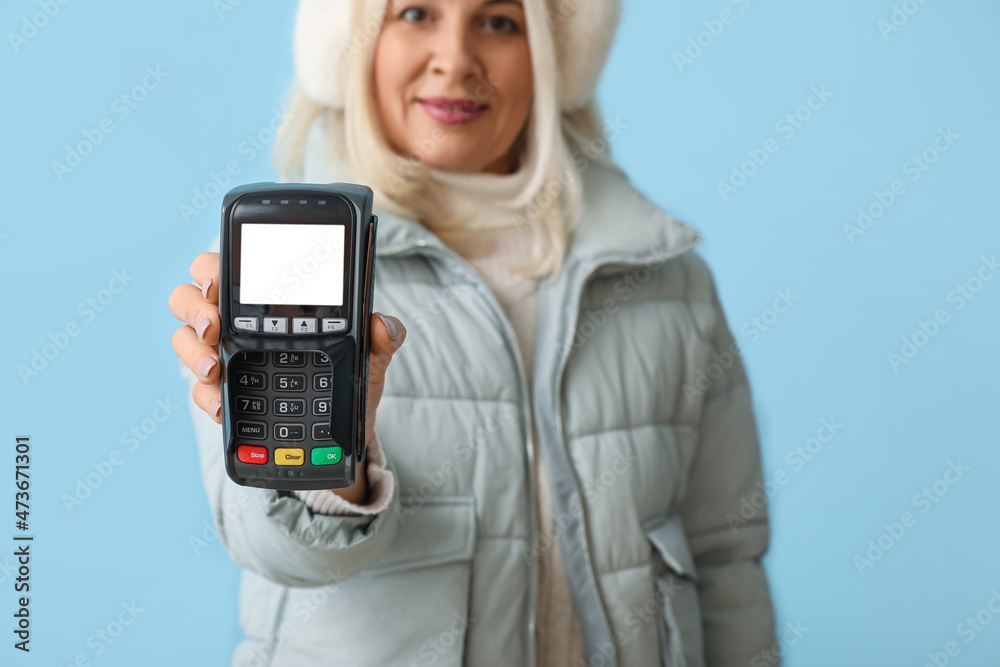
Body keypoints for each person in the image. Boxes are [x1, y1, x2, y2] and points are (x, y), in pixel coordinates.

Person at [168, 0, 779, 665]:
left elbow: (726, 557)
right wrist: (334, 455)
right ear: (353, 41)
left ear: (553, 55)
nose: (456, 60)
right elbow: (278, 547)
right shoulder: (278, 270)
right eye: (415, 13)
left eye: (498, 21)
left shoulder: (667, 278)